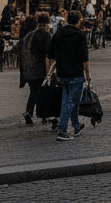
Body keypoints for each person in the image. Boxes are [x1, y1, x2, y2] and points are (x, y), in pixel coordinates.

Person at [46, 10, 91, 141]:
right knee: (70, 102)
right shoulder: (80, 35)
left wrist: (50, 72)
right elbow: (85, 58)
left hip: (62, 73)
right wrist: (88, 74)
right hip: (76, 73)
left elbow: (50, 55)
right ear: (79, 21)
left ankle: (76, 125)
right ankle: (62, 130)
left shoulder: (58, 33)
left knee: (72, 101)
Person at [19, 12, 51, 125]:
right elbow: (48, 55)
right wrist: (49, 73)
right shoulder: (47, 35)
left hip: (28, 69)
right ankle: (43, 114)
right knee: (42, 92)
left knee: (34, 91)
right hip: (40, 69)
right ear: (48, 22)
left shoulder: (29, 35)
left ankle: (30, 112)